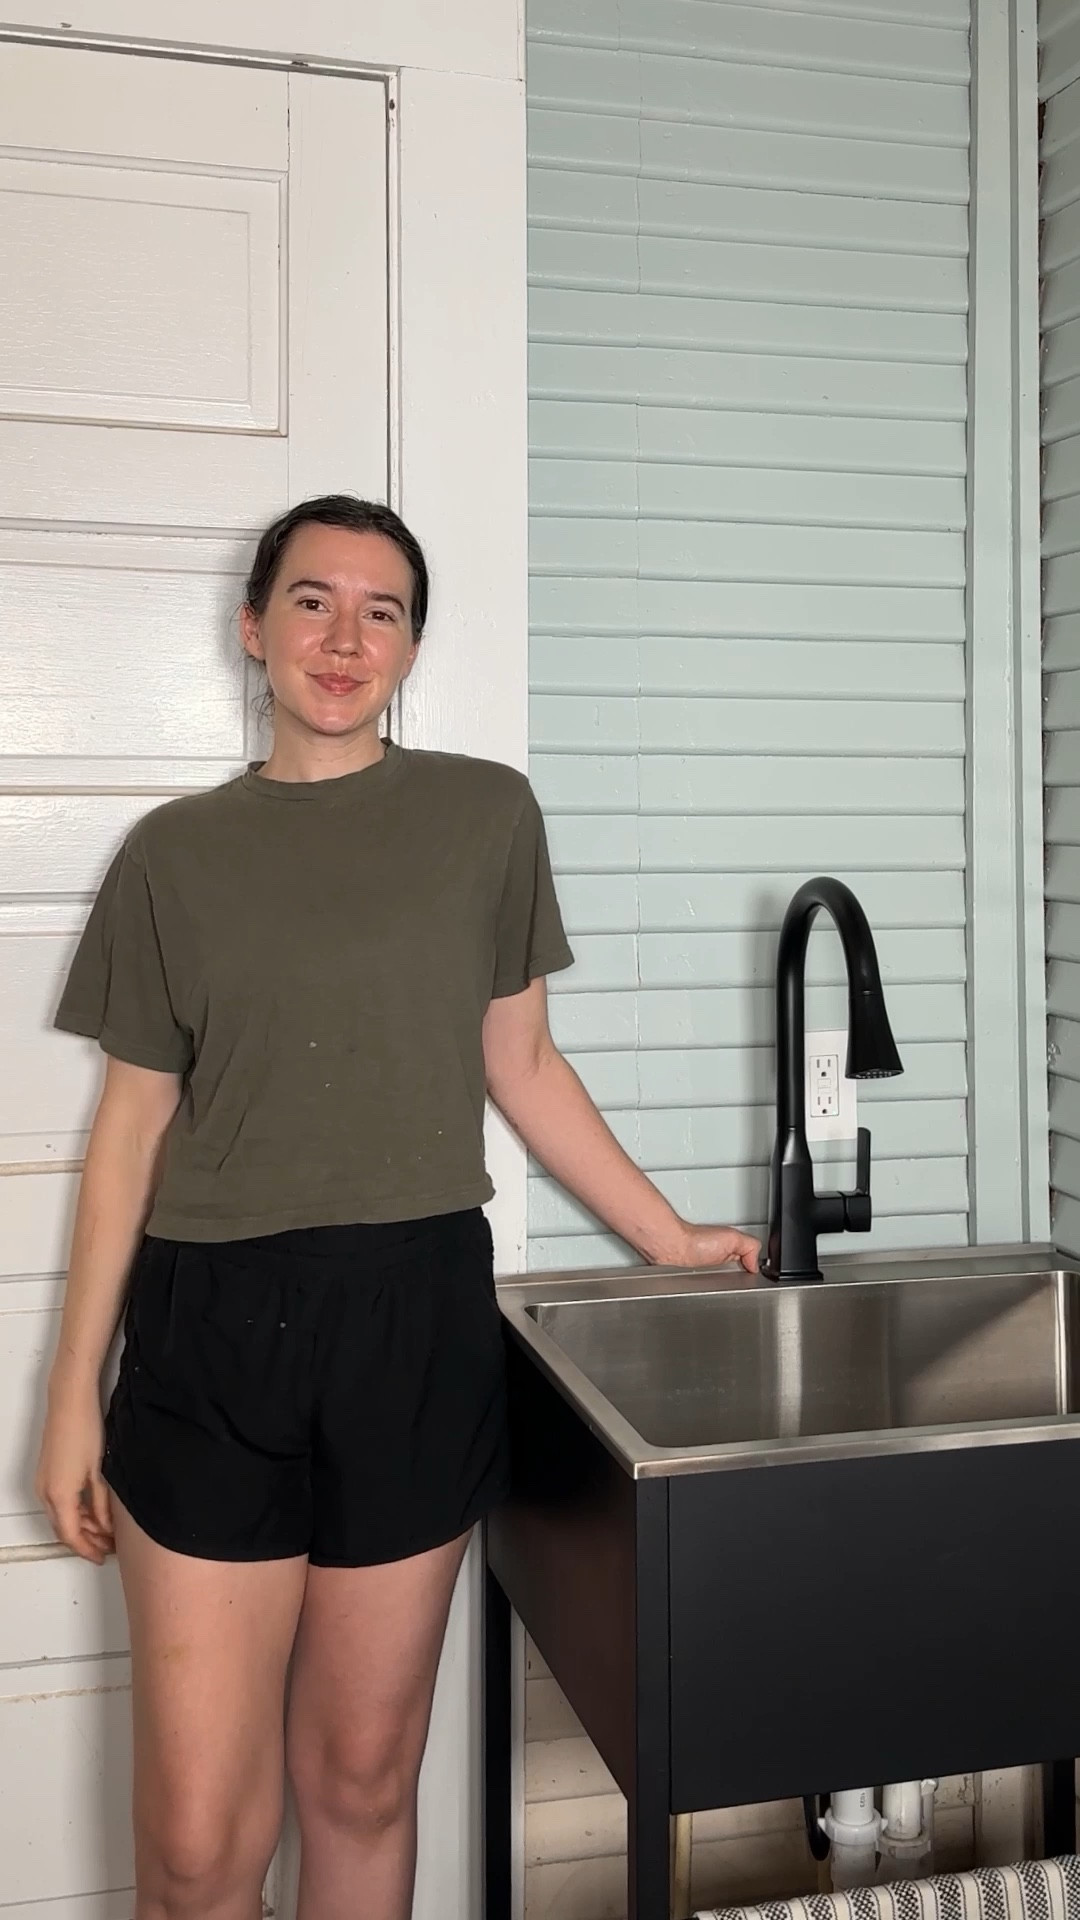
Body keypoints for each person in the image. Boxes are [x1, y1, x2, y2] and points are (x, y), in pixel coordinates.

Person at [35, 494, 760, 1920]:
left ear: (414, 646)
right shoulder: (173, 854)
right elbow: (129, 1129)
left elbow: (523, 1061)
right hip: (211, 1331)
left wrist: (669, 1238)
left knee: (363, 1782)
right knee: (197, 1845)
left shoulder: (485, 816)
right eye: (311, 601)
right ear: (253, 630)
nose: (345, 637)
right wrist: (71, 1398)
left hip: (414, 1320)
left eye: (383, 611)